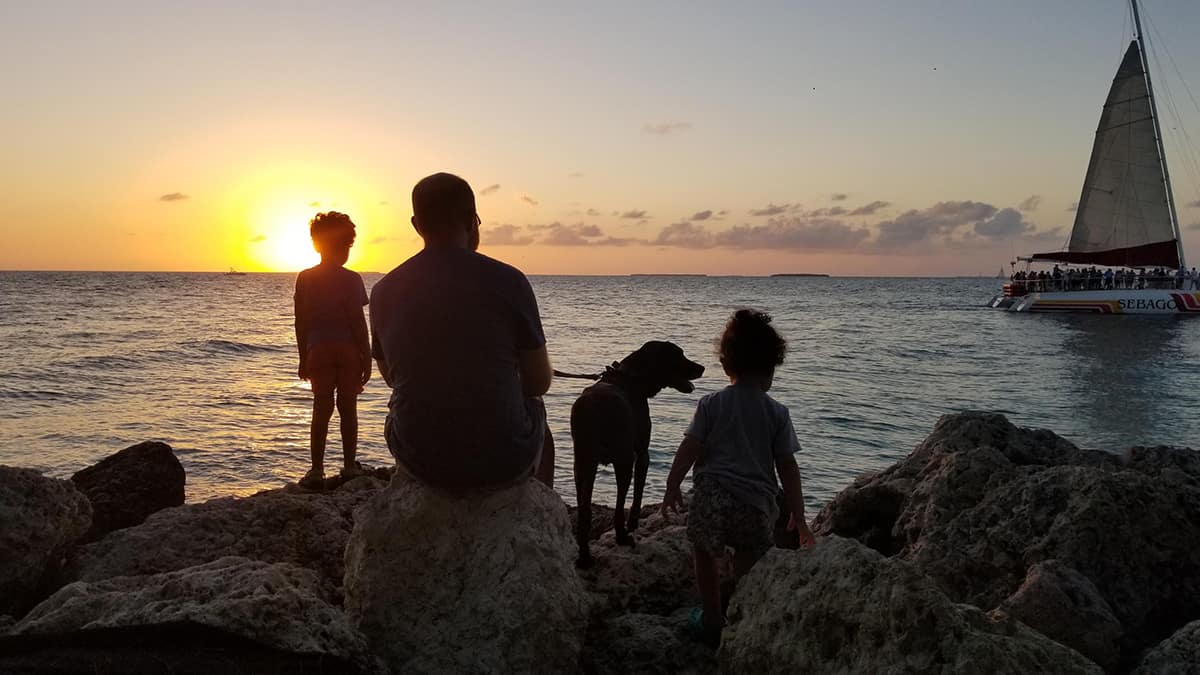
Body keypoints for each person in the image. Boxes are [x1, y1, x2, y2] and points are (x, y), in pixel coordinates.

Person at [369, 172, 555, 490]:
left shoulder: (384, 290)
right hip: (501, 462)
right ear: (471, 220)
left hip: (421, 460)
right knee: (538, 415)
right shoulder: (510, 281)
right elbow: (538, 382)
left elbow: (392, 379)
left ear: (416, 225)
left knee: (398, 407)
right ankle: (540, 508)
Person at [661, 309, 815, 646]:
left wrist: (672, 485)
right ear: (771, 368)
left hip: (712, 496)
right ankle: (742, 620)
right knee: (747, 560)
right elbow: (787, 466)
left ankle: (712, 619)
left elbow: (690, 447)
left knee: (704, 553)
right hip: (755, 505)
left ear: (727, 363)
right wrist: (799, 516)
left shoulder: (711, 403)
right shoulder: (777, 412)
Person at [294, 212, 371, 488]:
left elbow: (300, 322)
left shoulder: (305, 278)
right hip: (348, 350)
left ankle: (316, 470)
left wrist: (303, 357)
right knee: (348, 410)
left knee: (321, 409)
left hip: (319, 349)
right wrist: (366, 354)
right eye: (347, 245)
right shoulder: (351, 279)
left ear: (316, 244)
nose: (347, 250)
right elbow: (357, 321)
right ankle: (350, 466)